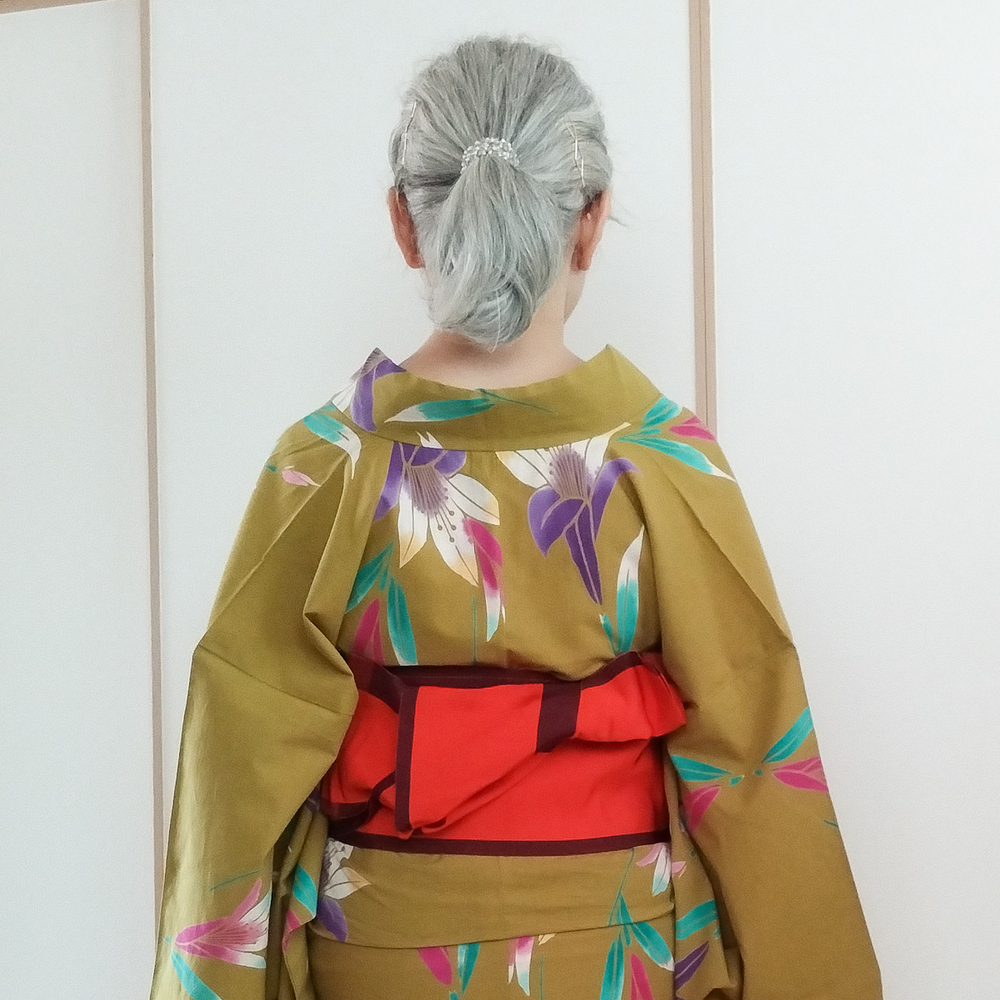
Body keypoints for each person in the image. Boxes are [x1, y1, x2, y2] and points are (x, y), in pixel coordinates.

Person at [148, 34, 882, 1000]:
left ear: (405, 224)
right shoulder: (663, 462)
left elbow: (236, 770)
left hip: (383, 953)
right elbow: (754, 756)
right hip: (610, 946)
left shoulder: (325, 465)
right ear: (591, 221)